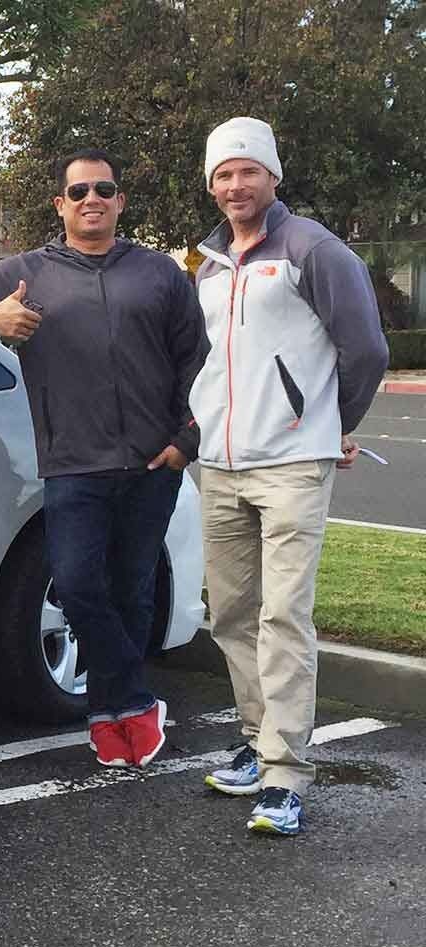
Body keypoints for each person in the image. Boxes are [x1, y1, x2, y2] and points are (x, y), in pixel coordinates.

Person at [0, 149, 206, 768]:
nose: (92, 200)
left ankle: (111, 718)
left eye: (104, 190)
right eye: (79, 191)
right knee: (80, 588)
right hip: (71, 463)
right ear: (61, 204)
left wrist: (186, 440)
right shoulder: (29, 271)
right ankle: (136, 699)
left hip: (151, 464)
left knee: (134, 592)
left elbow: (199, 361)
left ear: (119, 202)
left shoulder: (159, 274)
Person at [191, 117, 390, 836]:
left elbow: (365, 348)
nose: (235, 185)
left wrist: (335, 425)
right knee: (235, 615)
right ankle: (256, 741)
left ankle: (284, 775)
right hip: (220, 463)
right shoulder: (209, 261)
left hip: (291, 465)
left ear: (273, 175)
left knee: (283, 616)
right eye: (222, 174)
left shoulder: (312, 248)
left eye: (247, 170)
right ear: (211, 185)